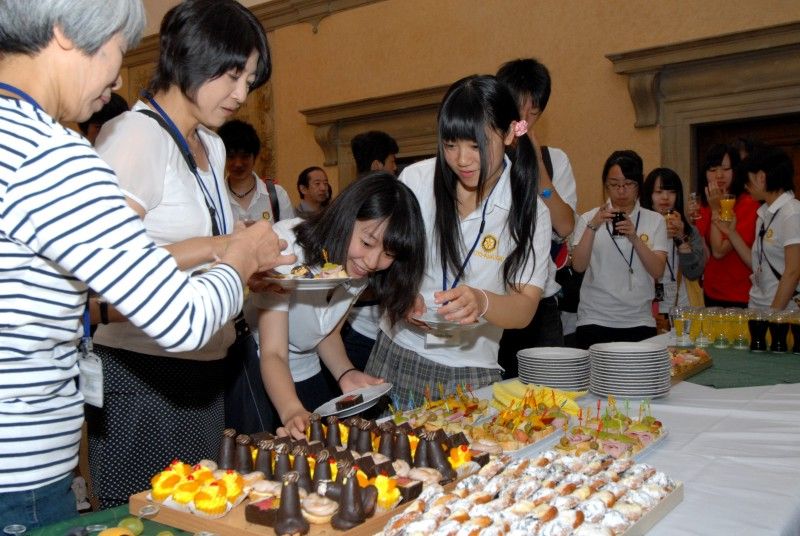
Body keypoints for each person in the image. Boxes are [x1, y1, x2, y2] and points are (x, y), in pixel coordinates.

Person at [0, 0, 291, 528]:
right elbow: (179, 318)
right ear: (67, 34)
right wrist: (239, 255)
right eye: (117, 47)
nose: (118, 73)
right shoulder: (52, 155)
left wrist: (222, 249)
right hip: (21, 464)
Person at [87, 0, 280, 509]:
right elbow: (105, 272)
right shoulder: (135, 137)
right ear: (189, 57)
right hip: (142, 370)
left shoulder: (210, 145)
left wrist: (242, 269)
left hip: (205, 363)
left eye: (250, 78)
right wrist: (223, 249)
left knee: (201, 512)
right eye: (233, 74)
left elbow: (196, 250)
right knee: (149, 516)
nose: (242, 93)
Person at [364, 75, 551, 409]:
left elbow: (524, 308)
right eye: (451, 145)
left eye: (476, 145)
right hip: (398, 351)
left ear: (510, 133)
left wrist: (482, 301)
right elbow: (383, 259)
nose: (462, 160)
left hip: (470, 371)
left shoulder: (529, 211)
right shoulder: (417, 180)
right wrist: (400, 297)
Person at [251, 172, 426, 438]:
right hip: (259, 369)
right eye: (367, 242)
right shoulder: (287, 247)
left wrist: (346, 373)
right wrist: (290, 410)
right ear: (347, 216)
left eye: (388, 254)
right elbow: (272, 351)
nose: (372, 261)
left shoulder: (356, 266)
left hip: (308, 366)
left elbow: (326, 331)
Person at [496, 58, 577, 372]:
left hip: (540, 303)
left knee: (548, 403)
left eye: (534, 112)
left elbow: (565, 225)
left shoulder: (554, 160)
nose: (525, 120)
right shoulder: (482, 159)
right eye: (518, 110)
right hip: (491, 300)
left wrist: (540, 175)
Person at [572, 150, 669, 349]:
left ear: (639, 184)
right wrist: (593, 226)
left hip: (639, 320)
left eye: (628, 184)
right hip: (594, 318)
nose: (621, 191)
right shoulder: (588, 218)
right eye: (614, 185)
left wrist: (634, 237)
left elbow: (658, 271)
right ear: (605, 185)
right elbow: (579, 266)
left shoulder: (654, 220)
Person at [341, 130, 401, 372]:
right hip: (360, 328)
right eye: (392, 162)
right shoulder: (362, 212)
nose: (395, 169)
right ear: (377, 165)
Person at [719, 147, 799, 310]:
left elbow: (793, 271)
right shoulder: (765, 214)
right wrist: (731, 234)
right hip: (758, 305)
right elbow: (757, 263)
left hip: (784, 312)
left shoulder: (791, 213)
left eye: (747, 180)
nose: (746, 187)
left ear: (761, 177)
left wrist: (772, 316)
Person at [694, 143, 760, 308]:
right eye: (713, 169)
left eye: (725, 169)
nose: (719, 175)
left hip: (739, 293)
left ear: (736, 170)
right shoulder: (704, 203)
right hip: (710, 290)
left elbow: (719, 251)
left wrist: (716, 208)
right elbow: (703, 250)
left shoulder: (748, 203)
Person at [641, 168, 705, 319]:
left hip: (685, 306)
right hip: (649, 310)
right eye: (659, 192)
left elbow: (694, 272)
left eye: (671, 192)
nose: (665, 197)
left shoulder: (690, 231)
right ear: (649, 195)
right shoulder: (640, 232)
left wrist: (681, 237)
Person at [218, 119, 294, 224]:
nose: (238, 164)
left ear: (255, 157)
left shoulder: (276, 194)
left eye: (244, 156)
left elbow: (289, 236)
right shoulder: (215, 196)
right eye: (231, 157)